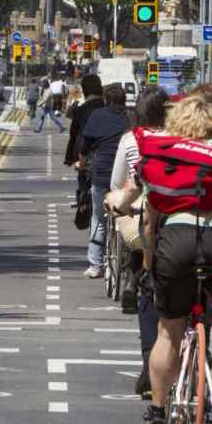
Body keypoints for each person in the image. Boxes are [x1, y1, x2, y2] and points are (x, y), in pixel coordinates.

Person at [141, 96, 212, 424]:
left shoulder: (168, 156)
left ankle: (156, 413)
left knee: (168, 331)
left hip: (176, 242)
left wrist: (148, 267)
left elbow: (150, 226)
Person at [105, 88, 170, 398]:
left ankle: (135, 278)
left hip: (143, 220)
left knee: (140, 245)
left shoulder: (133, 140)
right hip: (185, 227)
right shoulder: (181, 140)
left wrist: (118, 202)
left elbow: (118, 184)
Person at [78, 83, 129, 278]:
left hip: (101, 175)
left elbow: (84, 146)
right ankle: (125, 260)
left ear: (106, 100)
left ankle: (95, 265)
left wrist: (81, 164)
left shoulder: (97, 116)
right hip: (124, 179)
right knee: (126, 217)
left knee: (98, 218)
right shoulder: (130, 118)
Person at [64, 74, 104, 168]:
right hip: (106, 154)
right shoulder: (107, 107)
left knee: (84, 178)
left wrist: (69, 158)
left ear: (84, 90)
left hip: (85, 155)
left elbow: (74, 135)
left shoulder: (81, 110)